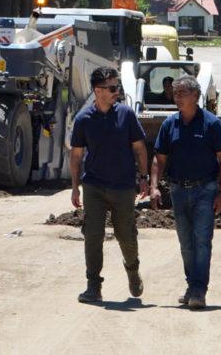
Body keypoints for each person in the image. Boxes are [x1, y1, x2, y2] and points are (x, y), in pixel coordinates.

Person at [147, 75, 221, 309]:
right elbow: (159, 159)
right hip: (178, 190)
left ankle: (198, 290)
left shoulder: (211, 124)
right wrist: (154, 187)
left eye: (182, 92)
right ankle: (192, 283)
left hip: (206, 189)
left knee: (202, 240)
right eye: (175, 93)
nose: (177, 97)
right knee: (185, 242)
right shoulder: (169, 124)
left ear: (196, 96)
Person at [70, 66, 150, 303]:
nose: (117, 91)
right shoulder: (83, 119)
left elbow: (140, 149)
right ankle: (93, 285)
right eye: (112, 88)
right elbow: (76, 156)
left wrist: (143, 178)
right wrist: (75, 187)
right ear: (98, 90)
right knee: (92, 235)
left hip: (123, 186)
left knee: (126, 235)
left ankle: (132, 269)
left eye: (117, 87)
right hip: (93, 186)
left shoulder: (126, 114)